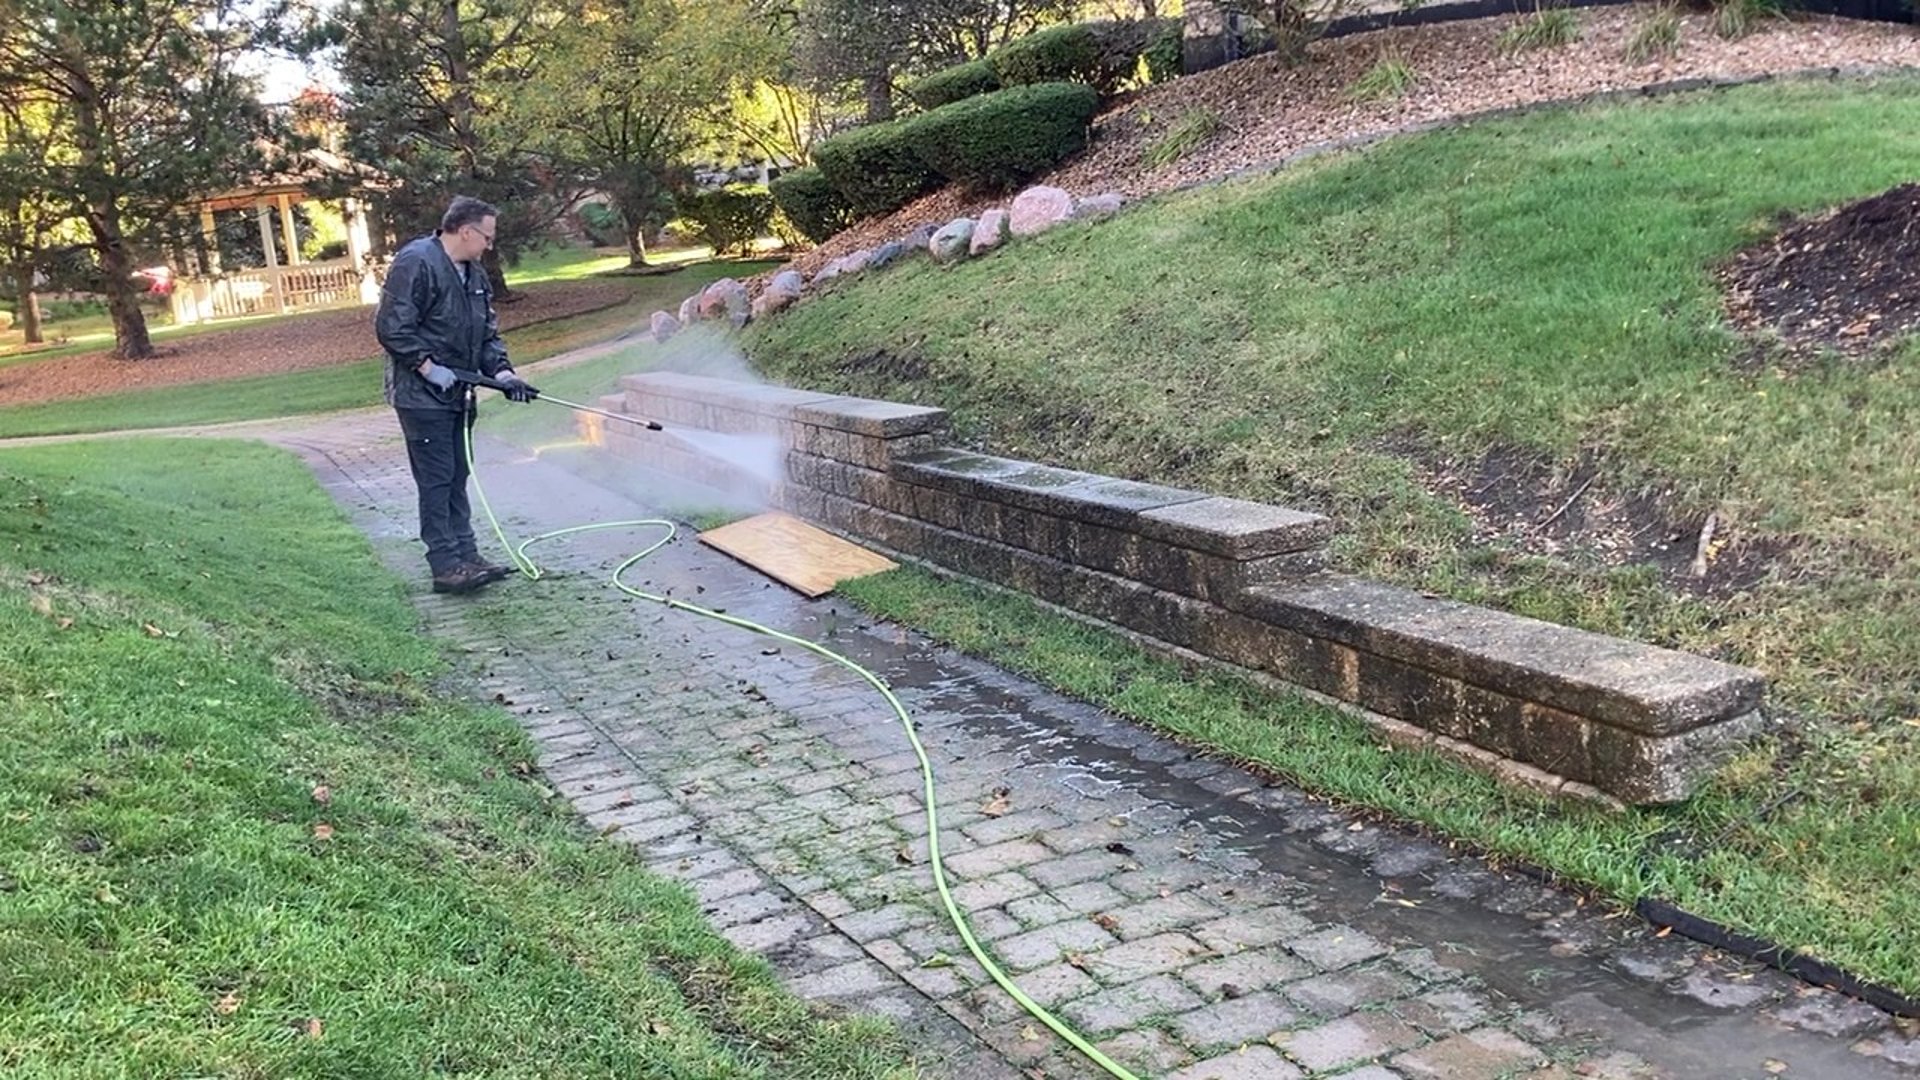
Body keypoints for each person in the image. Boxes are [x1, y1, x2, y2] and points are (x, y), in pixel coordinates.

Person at [375, 195, 539, 594]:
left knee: (458, 476)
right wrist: (428, 368)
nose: (490, 245)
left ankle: (467, 555)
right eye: (487, 236)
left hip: (459, 394)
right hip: (420, 396)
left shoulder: (474, 273)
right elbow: (392, 326)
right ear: (466, 231)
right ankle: (445, 566)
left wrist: (503, 373)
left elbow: (486, 333)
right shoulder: (417, 262)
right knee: (436, 479)